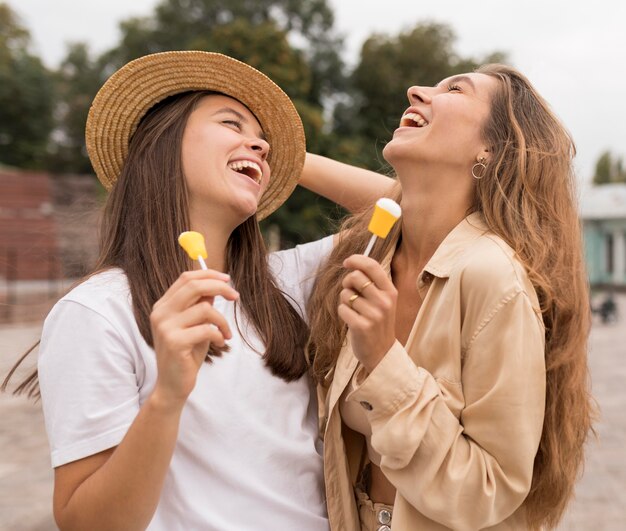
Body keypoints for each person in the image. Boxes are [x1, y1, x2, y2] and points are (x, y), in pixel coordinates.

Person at [2, 50, 349, 531]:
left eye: (263, 140)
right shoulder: (98, 311)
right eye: (232, 123)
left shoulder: (291, 280)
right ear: (160, 146)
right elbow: (88, 523)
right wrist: (167, 397)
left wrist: (286, 157)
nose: (260, 146)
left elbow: (414, 210)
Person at [306, 64, 595, 530]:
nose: (414, 89)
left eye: (454, 89)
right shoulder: (377, 250)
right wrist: (283, 158)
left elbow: (490, 486)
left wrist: (383, 360)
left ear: (490, 149)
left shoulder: (493, 278)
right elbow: (388, 199)